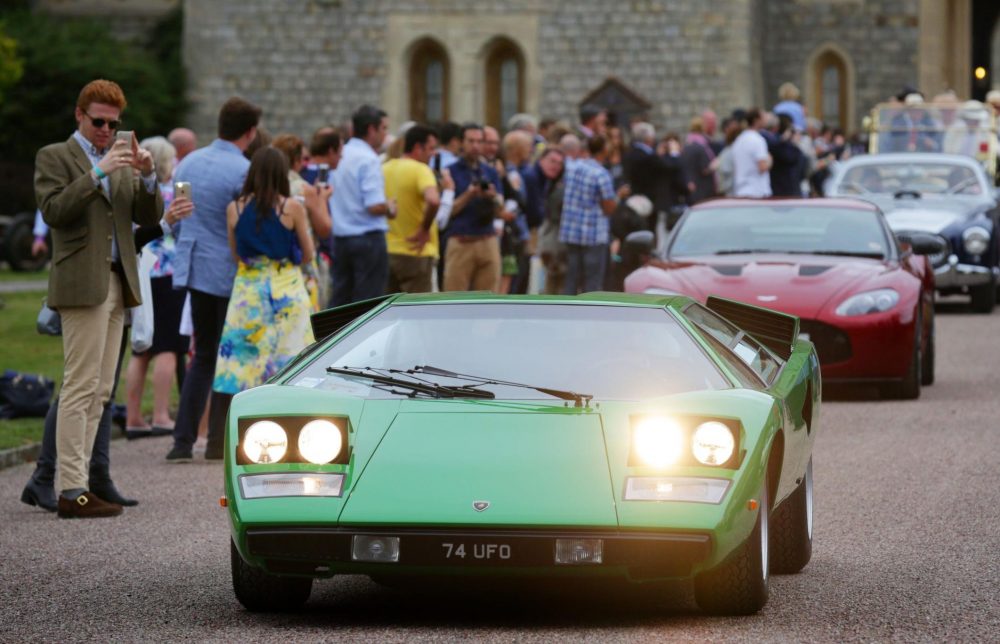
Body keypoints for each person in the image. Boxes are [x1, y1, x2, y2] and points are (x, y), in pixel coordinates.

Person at [34, 79, 163, 518]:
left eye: (113, 123)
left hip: (118, 280)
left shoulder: (123, 159)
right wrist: (98, 172)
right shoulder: (55, 156)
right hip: (81, 282)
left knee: (102, 390)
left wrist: (147, 174)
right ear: (79, 115)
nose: (107, 130)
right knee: (81, 383)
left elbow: (147, 216)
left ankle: (82, 483)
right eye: (99, 122)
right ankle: (70, 489)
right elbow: (53, 210)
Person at [21, 198, 192, 513]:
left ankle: (95, 475)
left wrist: (164, 218)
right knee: (79, 386)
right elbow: (64, 219)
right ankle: (46, 476)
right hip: (90, 289)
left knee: (102, 389)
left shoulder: (123, 179)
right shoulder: (87, 176)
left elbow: (128, 240)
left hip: (120, 287)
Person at [168, 96, 261, 463]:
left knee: (202, 355)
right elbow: (246, 224)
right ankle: (217, 441)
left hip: (193, 266)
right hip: (228, 271)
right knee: (230, 354)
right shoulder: (242, 170)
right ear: (250, 132)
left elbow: (179, 212)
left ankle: (182, 439)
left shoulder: (187, 163)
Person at [213, 147, 315, 395]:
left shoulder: (234, 208)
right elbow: (308, 253)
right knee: (290, 356)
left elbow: (236, 254)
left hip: (249, 289)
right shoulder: (291, 208)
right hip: (286, 286)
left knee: (246, 358)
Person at [124, 136, 192, 438]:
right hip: (167, 274)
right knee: (168, 348)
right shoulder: (169, 195)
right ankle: (162, 414)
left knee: (141, 347)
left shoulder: (137, 194)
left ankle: (133, 416)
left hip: (141, 270)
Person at [328, 104, 392, 307]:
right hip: (367, 239)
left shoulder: (342, 154)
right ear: (371, 130)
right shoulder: (369, 159)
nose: (385, 134)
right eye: (384, 128)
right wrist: (390, 207)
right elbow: (373, 205)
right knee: (366, 305)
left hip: (341, 239)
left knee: (340, 301)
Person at [560, 134, 626, 294]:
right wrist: (620, 196)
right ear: (604, 150)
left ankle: (566, 313)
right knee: (592, 284)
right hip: (593, 234)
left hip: (571, 232)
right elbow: (608, 208)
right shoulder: (601, 174)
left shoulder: (573, 168)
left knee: (571, 280)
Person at [441, 124, 503, 292]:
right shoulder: (450, 172)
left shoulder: (490, 172)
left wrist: (492, 196)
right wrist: (468, 194)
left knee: (488, 299)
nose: (475, 146)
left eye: (479, 141)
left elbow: (501, 208)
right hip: (461, 242)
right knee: (455, 299)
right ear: (461, 142)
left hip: (488, 240)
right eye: (471, 141)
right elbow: (447, 212)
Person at [382, 124, 441, 293]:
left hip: (387, 251)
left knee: (387, 312)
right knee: (418, 313)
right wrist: (424, 229)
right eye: (431, 148)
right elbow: (434, 200)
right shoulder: (421, 169)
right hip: (416, 252)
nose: (434, 153)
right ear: (417, 147)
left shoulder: (384, 168)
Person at [731, 108, 773, 198]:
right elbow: (762, 167)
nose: (766, 119)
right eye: (763, 117)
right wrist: (770, 160)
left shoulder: (739, 140)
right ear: (756, 120)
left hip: (741, 191)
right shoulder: (758, 140)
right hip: (757, 192)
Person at [681, 116, 718, 204]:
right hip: (702, 189)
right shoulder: (701, 147)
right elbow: (705, 169)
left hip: (691, 187)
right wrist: (715, 165)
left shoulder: (686, 145)